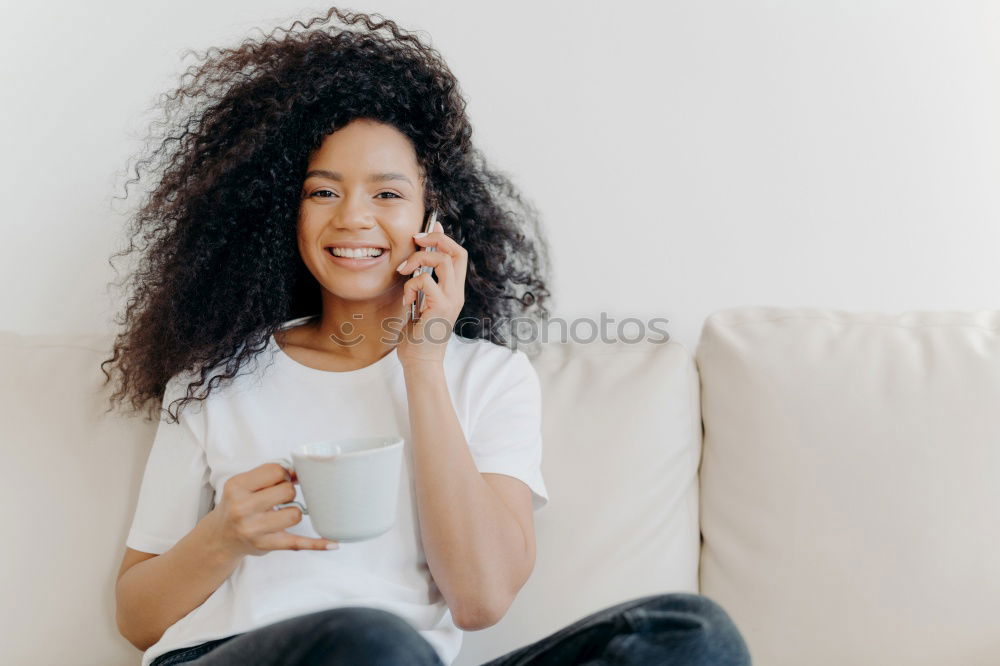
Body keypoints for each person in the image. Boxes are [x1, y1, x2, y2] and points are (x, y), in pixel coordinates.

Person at [103, 7, 752, 666]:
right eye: (323, 192)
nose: (354, 217)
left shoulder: (489, 379)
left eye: (386, 195)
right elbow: (136, 617)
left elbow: (479, 599)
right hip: (245, 656)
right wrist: (222, 538)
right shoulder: (216, 379)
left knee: (691, 633)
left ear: (432, 215)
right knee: (367, 638)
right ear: (280, 214)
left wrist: (422, 365)